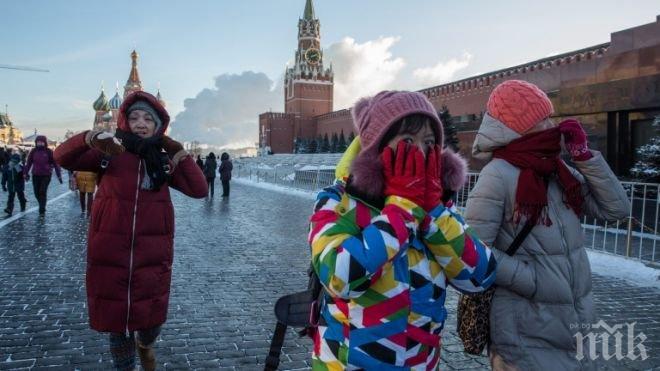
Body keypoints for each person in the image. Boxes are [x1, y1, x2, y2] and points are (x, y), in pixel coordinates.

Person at [308, 91, 497, 369]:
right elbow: (338, 276)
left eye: (429, 142)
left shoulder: (437, 207)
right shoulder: (339, 200)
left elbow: (481, 275)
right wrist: (400, 210)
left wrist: (433, 213)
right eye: (407, 140)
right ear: (378, 146)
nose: (420, 152)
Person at [465, 80, 631, 371]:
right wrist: (533, 279)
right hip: (524, 326)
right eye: (542, 118)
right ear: (517, 126)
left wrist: (584, 157)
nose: (551, 124)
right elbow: (475, 250)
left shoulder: (556, 168)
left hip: (573, 323)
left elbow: (615, 208)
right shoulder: (497, 174)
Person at [54, 91, 208, 371]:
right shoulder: (110, 153)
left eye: (148, 118)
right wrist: (89, 138)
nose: (141, 123)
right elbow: (62, 156)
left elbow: (199, 189)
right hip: (110, 252)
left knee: (151, 321)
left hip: (152, 255)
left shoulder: (162, 160)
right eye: (134, 116)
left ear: (159, 125)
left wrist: (177, 151)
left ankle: (146, 345)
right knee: (118, 324)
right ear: (124, 120)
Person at [24, 135, 62, 215]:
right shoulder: (33, 151)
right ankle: (41, 204)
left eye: (41, 142)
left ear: (44, 143)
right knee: (36, 192)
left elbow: (55, 164)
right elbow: (29, 163)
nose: (40, 143)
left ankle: (42, 208)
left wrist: (59, 175)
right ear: (36, 143)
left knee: (42, 191)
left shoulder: (49, 151)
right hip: (35, 174)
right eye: (38, 142)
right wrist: (25, 172)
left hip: (46, 175)